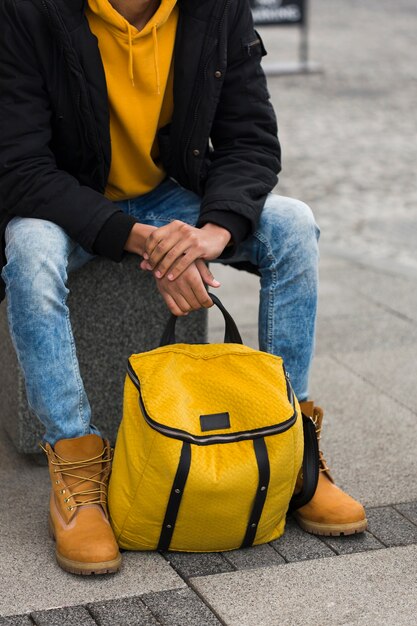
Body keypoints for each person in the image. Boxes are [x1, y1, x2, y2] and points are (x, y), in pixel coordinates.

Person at [0, 0, 367, 576]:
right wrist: (138, 238)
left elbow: (250, 139)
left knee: (293, 226)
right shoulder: (29, 11)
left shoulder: (216, 7)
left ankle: (291, 450)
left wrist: (213, 231)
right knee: (29, 252)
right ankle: (77, 470)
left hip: (171, 190)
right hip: (66, 197)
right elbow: (18, 166)